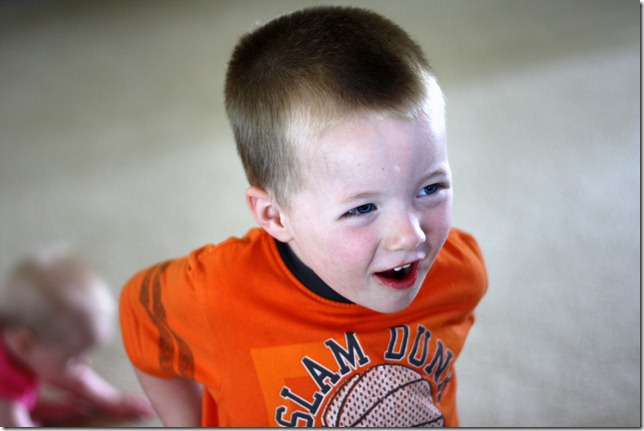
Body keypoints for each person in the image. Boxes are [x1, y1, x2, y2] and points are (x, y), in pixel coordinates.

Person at [119, 5, 487, 427]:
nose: (410, 236)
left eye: (430, 188)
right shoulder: (216, 294)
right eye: (362, 208)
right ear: (275, 216)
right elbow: (138, 314)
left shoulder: (459, 273)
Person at [0, 247, 155, 427]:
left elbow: (76, 377)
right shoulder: (6, 400)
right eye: (72, 357)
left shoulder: (24, 344)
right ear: (24, 344)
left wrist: (115, 401)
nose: (84, 363)